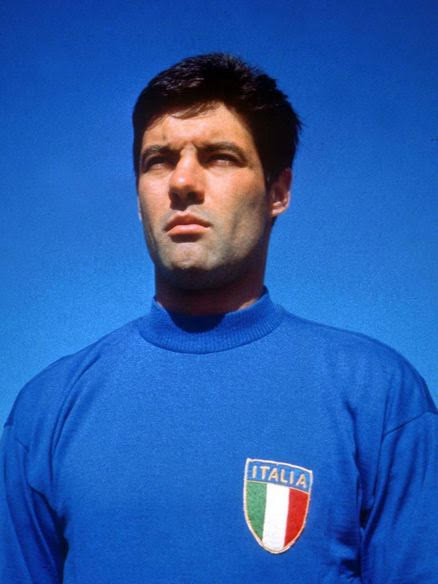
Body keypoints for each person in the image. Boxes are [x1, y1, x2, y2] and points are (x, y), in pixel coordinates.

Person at [1, 53, 436, 584]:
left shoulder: (378, 396)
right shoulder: (45, 412)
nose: (182, 181)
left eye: (220, 157)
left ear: (278, 192)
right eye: (158, 160)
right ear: (138, 196)